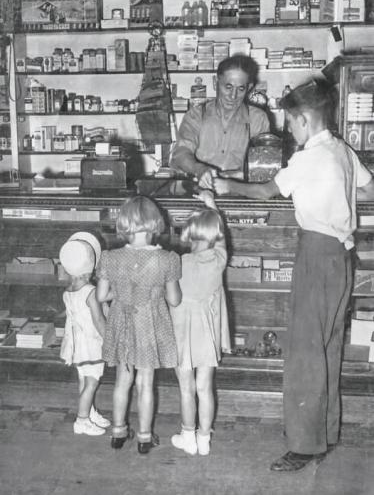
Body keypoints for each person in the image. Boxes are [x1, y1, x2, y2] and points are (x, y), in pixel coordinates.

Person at [212, 79, 374, 471]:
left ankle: (304, 445)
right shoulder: (342, 150)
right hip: (342, 255)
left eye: (292, 123)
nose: (290, 130)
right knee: (328, 347)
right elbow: (368, 192)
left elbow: (267, 192)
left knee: (304, 352)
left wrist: (223, 184)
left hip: (317, 253)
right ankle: (325, 432)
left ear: (304, 119)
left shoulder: (308, 157)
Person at [95, 196, 182, 454]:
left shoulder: (110, 257)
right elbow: (174, 300)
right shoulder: (167, 259)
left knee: (123, 379)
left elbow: (101, 296)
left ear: (124, 223)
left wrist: (122, 291)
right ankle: (145, 437)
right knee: (146, 381)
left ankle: (118, 432)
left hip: (121, 321)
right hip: (150, 323)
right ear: (155, 222)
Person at [170, 190, 231, 456]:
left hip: (181, 333)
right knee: (205, 388)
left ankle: (188, 437)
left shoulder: (177, 263)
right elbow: (223, 242)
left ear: (188, 234)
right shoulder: (219, 261)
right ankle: (204, 438)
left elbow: (170, 298)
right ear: (215, 236)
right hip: (207, 334)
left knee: (186, 389)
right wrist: (212, 204)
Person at [170, 54, 270, 189]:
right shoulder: (197, 115)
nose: (233, 96)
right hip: (201, 192)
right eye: (228, 87)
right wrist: (199, 169)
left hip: (240, 195)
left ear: (249, 87)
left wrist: (234, 178)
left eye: (240, 89)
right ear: (215, 82)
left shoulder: (258, 119)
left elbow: (262, 167)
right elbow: (181, 153)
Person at [59, 232, 110, 436]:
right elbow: (98, 320)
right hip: (91, 345)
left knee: (83, 378)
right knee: (92, 382)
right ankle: (81, 420)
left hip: (76, 346)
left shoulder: (68, 291)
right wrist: (110, 341)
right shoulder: (90, 291)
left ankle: (89, 412)